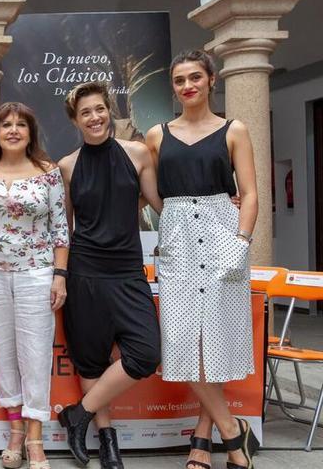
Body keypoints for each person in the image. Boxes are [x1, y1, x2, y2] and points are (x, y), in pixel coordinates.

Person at [146, 50, 259, 469]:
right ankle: (232, 430)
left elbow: (249, 193)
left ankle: (202, 438)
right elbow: (153, 191)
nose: (188, 86)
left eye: (195, 77)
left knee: (213, 338)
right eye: (179, 80)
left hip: (222, 236)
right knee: (180, 342)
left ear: (211, 80)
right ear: (173, 87)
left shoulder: (235, 130)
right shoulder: (157, 134)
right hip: (177, 239)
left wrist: (239, 240)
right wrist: (173, 217)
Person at [56, 81, 163, 469]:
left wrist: (213, 203)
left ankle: (77, 414)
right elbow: (61, 230)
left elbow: (162, 204)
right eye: (86, 112)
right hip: (84, 275)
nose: (95, 117)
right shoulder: (66, 166)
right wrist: (61, 275)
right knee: (91, 362)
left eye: (100, 109)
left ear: (109, 110)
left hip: (128, 273)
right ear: (76, 120)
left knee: (147, 354)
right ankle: (107, 442)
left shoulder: (137, 154)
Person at [0, 102, 69, 469]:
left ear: (30, 132)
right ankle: (15, 432)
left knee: (36, 352)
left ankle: (36, 436)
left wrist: (60, 275)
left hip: (37, 272)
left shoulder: (48, 173)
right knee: (2, 353)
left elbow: (60, 230)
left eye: (20, 125)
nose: (12, 130)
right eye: (5, 124)